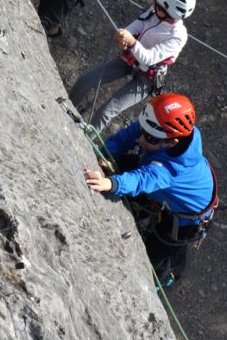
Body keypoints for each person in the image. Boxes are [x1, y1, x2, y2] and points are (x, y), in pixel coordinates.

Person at [82, 93, 216, 286]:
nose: (143, 139)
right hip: (167, 192)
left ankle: (166, 279)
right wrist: (107, 154)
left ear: (172, 142)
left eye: (150, 139)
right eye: (143, 130)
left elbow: (143, 179)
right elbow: (126, 136)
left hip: (186, 221)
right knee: (123, 164)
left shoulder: (172, 170)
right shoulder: (158, 127)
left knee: (155, 254)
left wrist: (111, 183)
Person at [69, 0, 195, 132]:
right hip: (130, 59)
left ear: (166, 11)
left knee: (107, 110)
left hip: (147, 77)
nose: (152, 2)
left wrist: (132, 42)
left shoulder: (177, 37)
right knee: (85, 81)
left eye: (156, 2)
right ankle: (66, 106)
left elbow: (149, 58)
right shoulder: (156, 11)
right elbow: (140, 23)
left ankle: (85, 141)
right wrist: (126, 33)